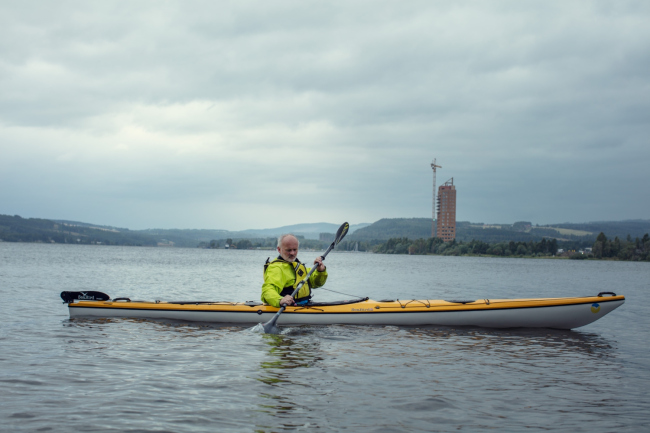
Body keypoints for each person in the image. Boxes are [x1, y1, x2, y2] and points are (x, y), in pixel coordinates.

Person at [261, 234, 328, 308]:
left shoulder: (297, 264)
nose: (292, 253)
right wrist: (280, 300)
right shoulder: (276, 268)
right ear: (279, 249)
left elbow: (316, 283)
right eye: (288, 250)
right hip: (288, 308)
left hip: (304, 305)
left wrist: (320, 271)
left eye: (295, 250)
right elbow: (267, 290)